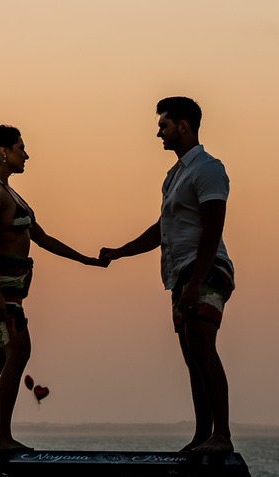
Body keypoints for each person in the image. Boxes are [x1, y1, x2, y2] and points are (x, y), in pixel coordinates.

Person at [0, 125, 106, 451]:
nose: (26, 154)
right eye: (21, 147)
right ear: (3, 151)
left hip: (11, 286)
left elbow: (43, 238)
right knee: (19, 351)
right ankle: (1, 438)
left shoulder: (9, 192)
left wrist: (86, 260)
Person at [100, 97, 236, 452]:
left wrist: (195, 282)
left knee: (203, 348)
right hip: (180, 275)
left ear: (183, 126)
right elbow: (162, 228)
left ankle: (221, 435)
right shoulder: (174, 177)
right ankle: (202, 435)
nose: (158, 131)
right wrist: (119, 252)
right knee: (192, 356)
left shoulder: (208, 168)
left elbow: (213, 226)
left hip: (204, 269)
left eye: (163, 125)